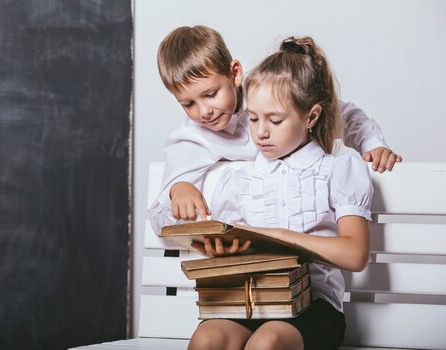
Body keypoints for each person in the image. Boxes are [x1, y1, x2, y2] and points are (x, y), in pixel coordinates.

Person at [186, 36, 373, 350]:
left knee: (268, 342)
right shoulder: (240, 178)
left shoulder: (337, 170)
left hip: (312, 307)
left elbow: (355, 254)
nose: (260, 132)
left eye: (275, 120)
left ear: (310, 117)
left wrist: (277, 236)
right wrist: (220, 248)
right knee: (207, 339)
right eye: (254, 118)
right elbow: (229, 248)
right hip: (251, 301)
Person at [148, 25, 400, 234]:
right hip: (259, 232)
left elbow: (341, 113)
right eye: (188, 103)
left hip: (305, 221)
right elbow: (159, 215)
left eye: (211, 94)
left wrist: (372, 143)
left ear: (235, 73)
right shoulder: (192, 137)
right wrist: (177, 188)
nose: (204, 111)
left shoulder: (266, 90)